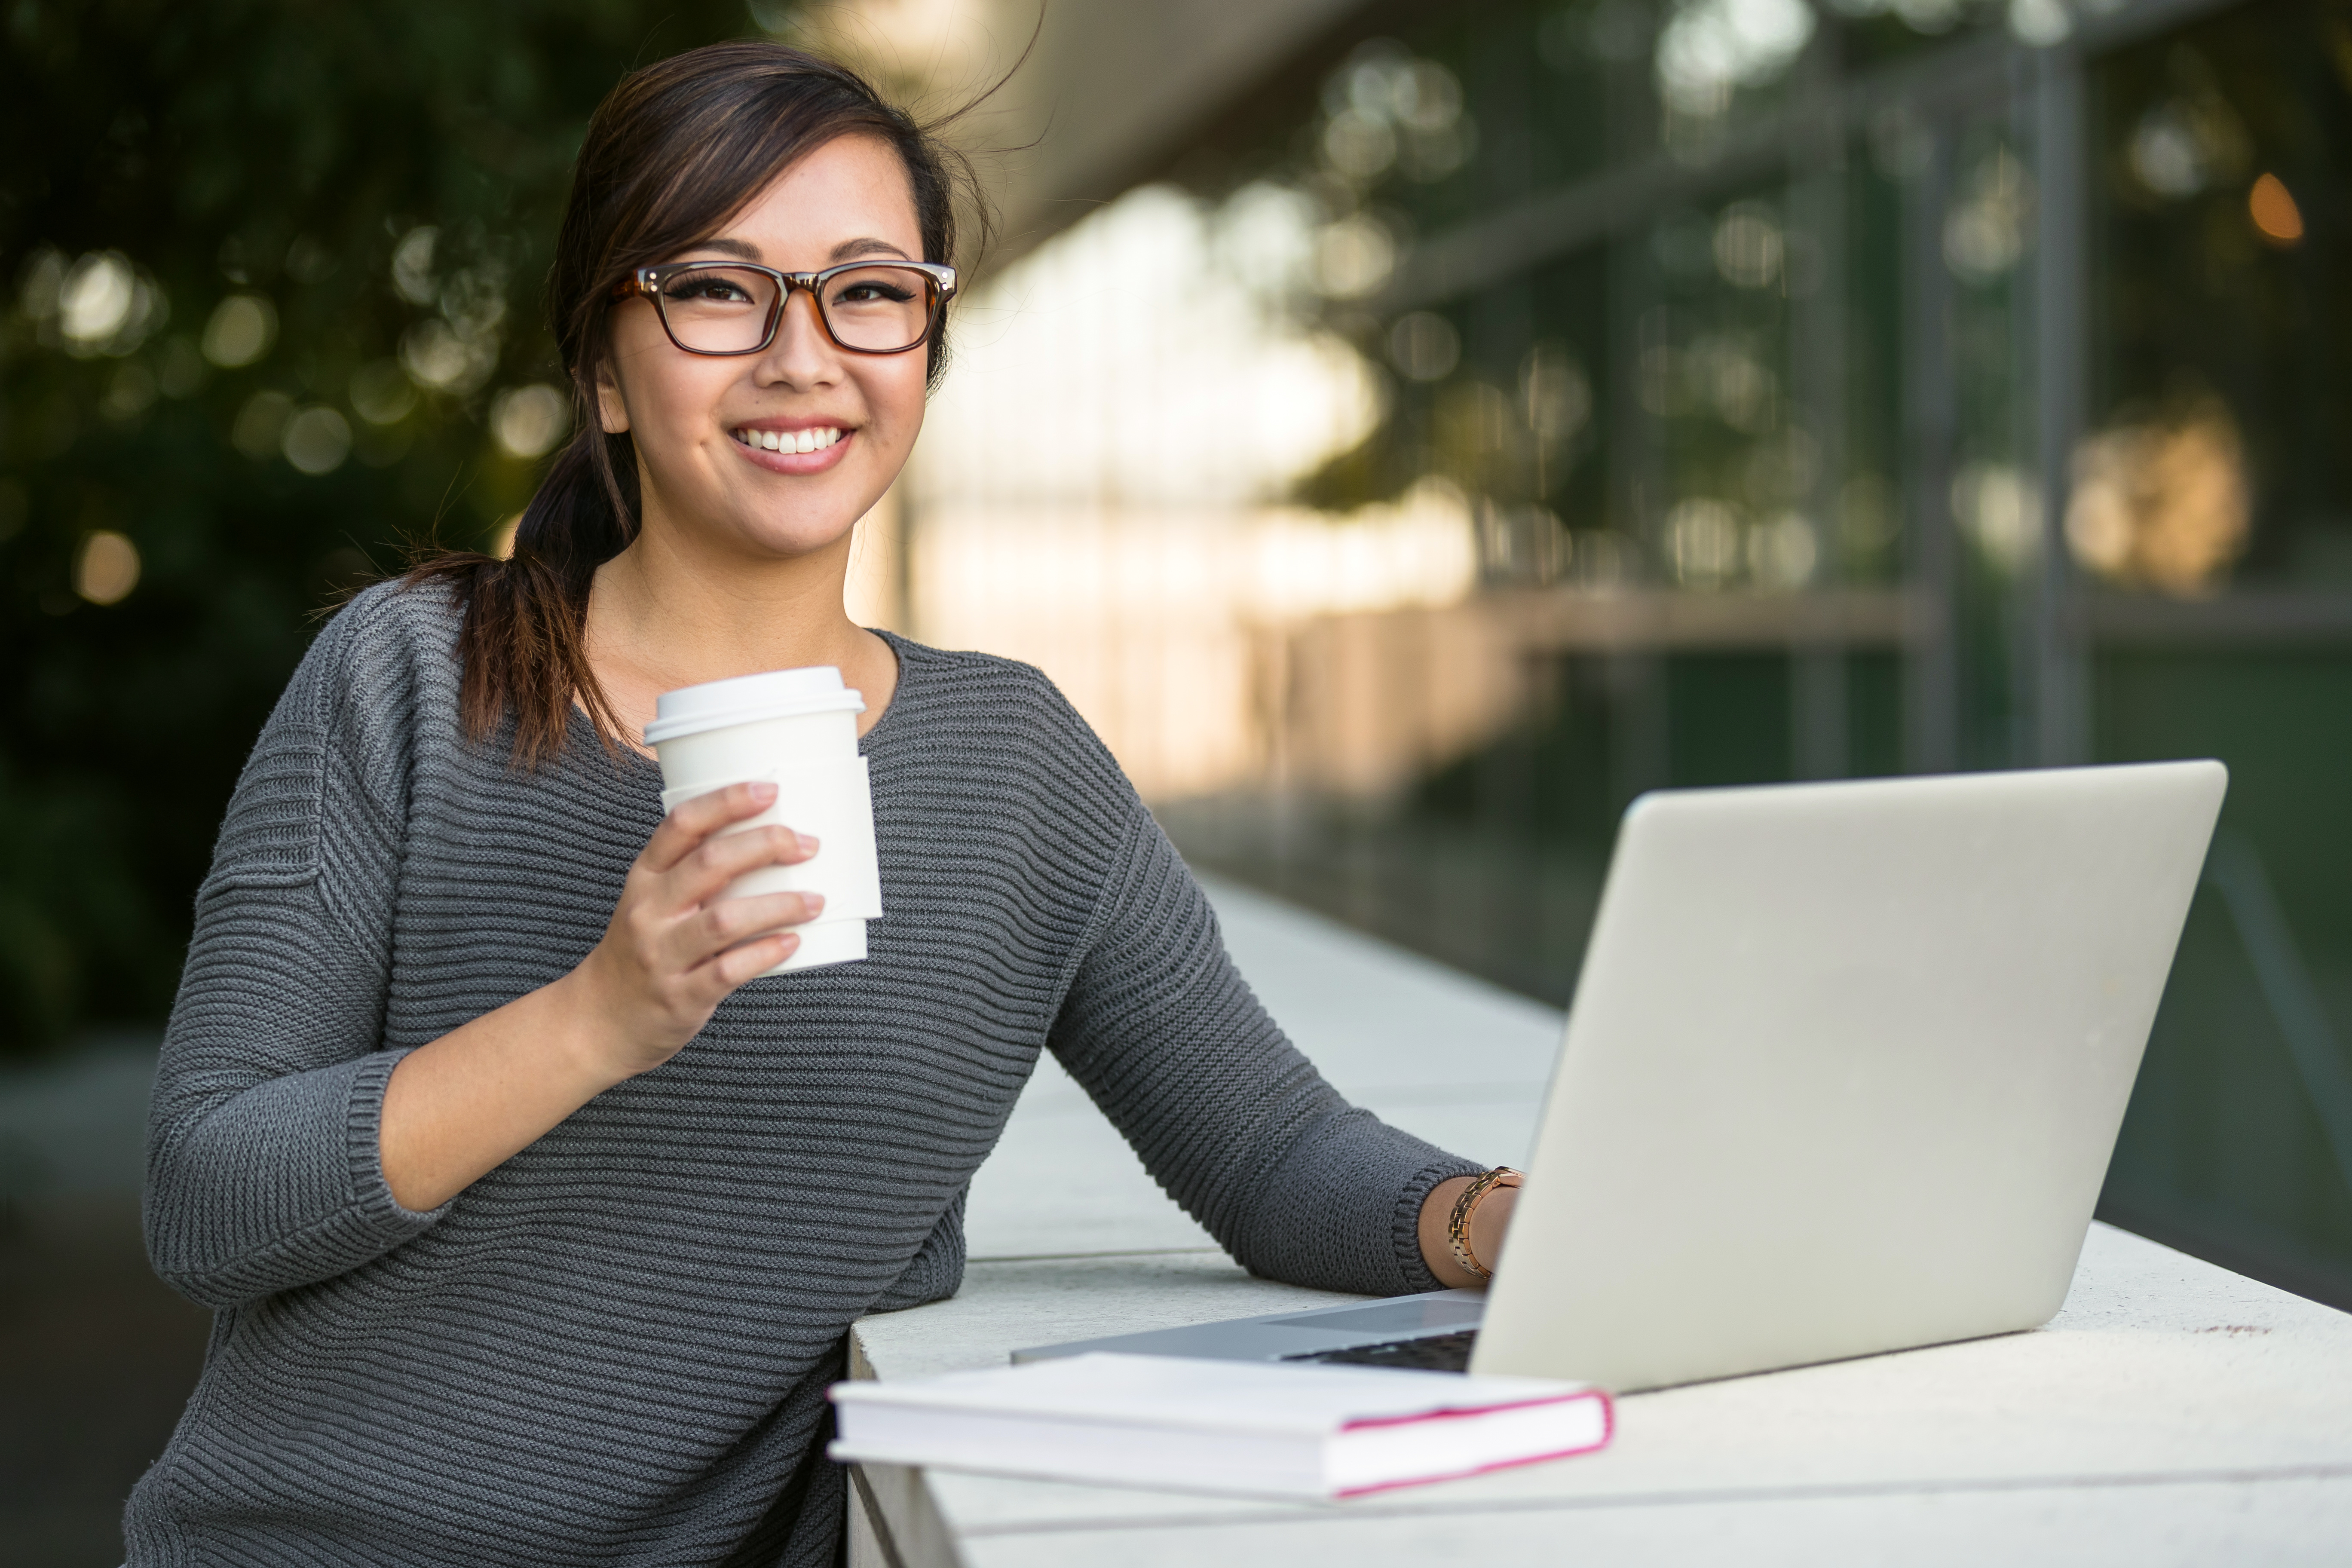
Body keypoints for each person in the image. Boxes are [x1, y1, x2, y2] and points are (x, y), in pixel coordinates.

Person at [129, 39, 1519, 1568]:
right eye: (719, 290)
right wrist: (598, 1016)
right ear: (603, 362)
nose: (803, 355)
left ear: (923, 346)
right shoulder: (405, 679)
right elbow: (210, 1197)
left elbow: (1269, 1156)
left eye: (868, 291)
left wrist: (1494, 1221)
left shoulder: (1015, 766)